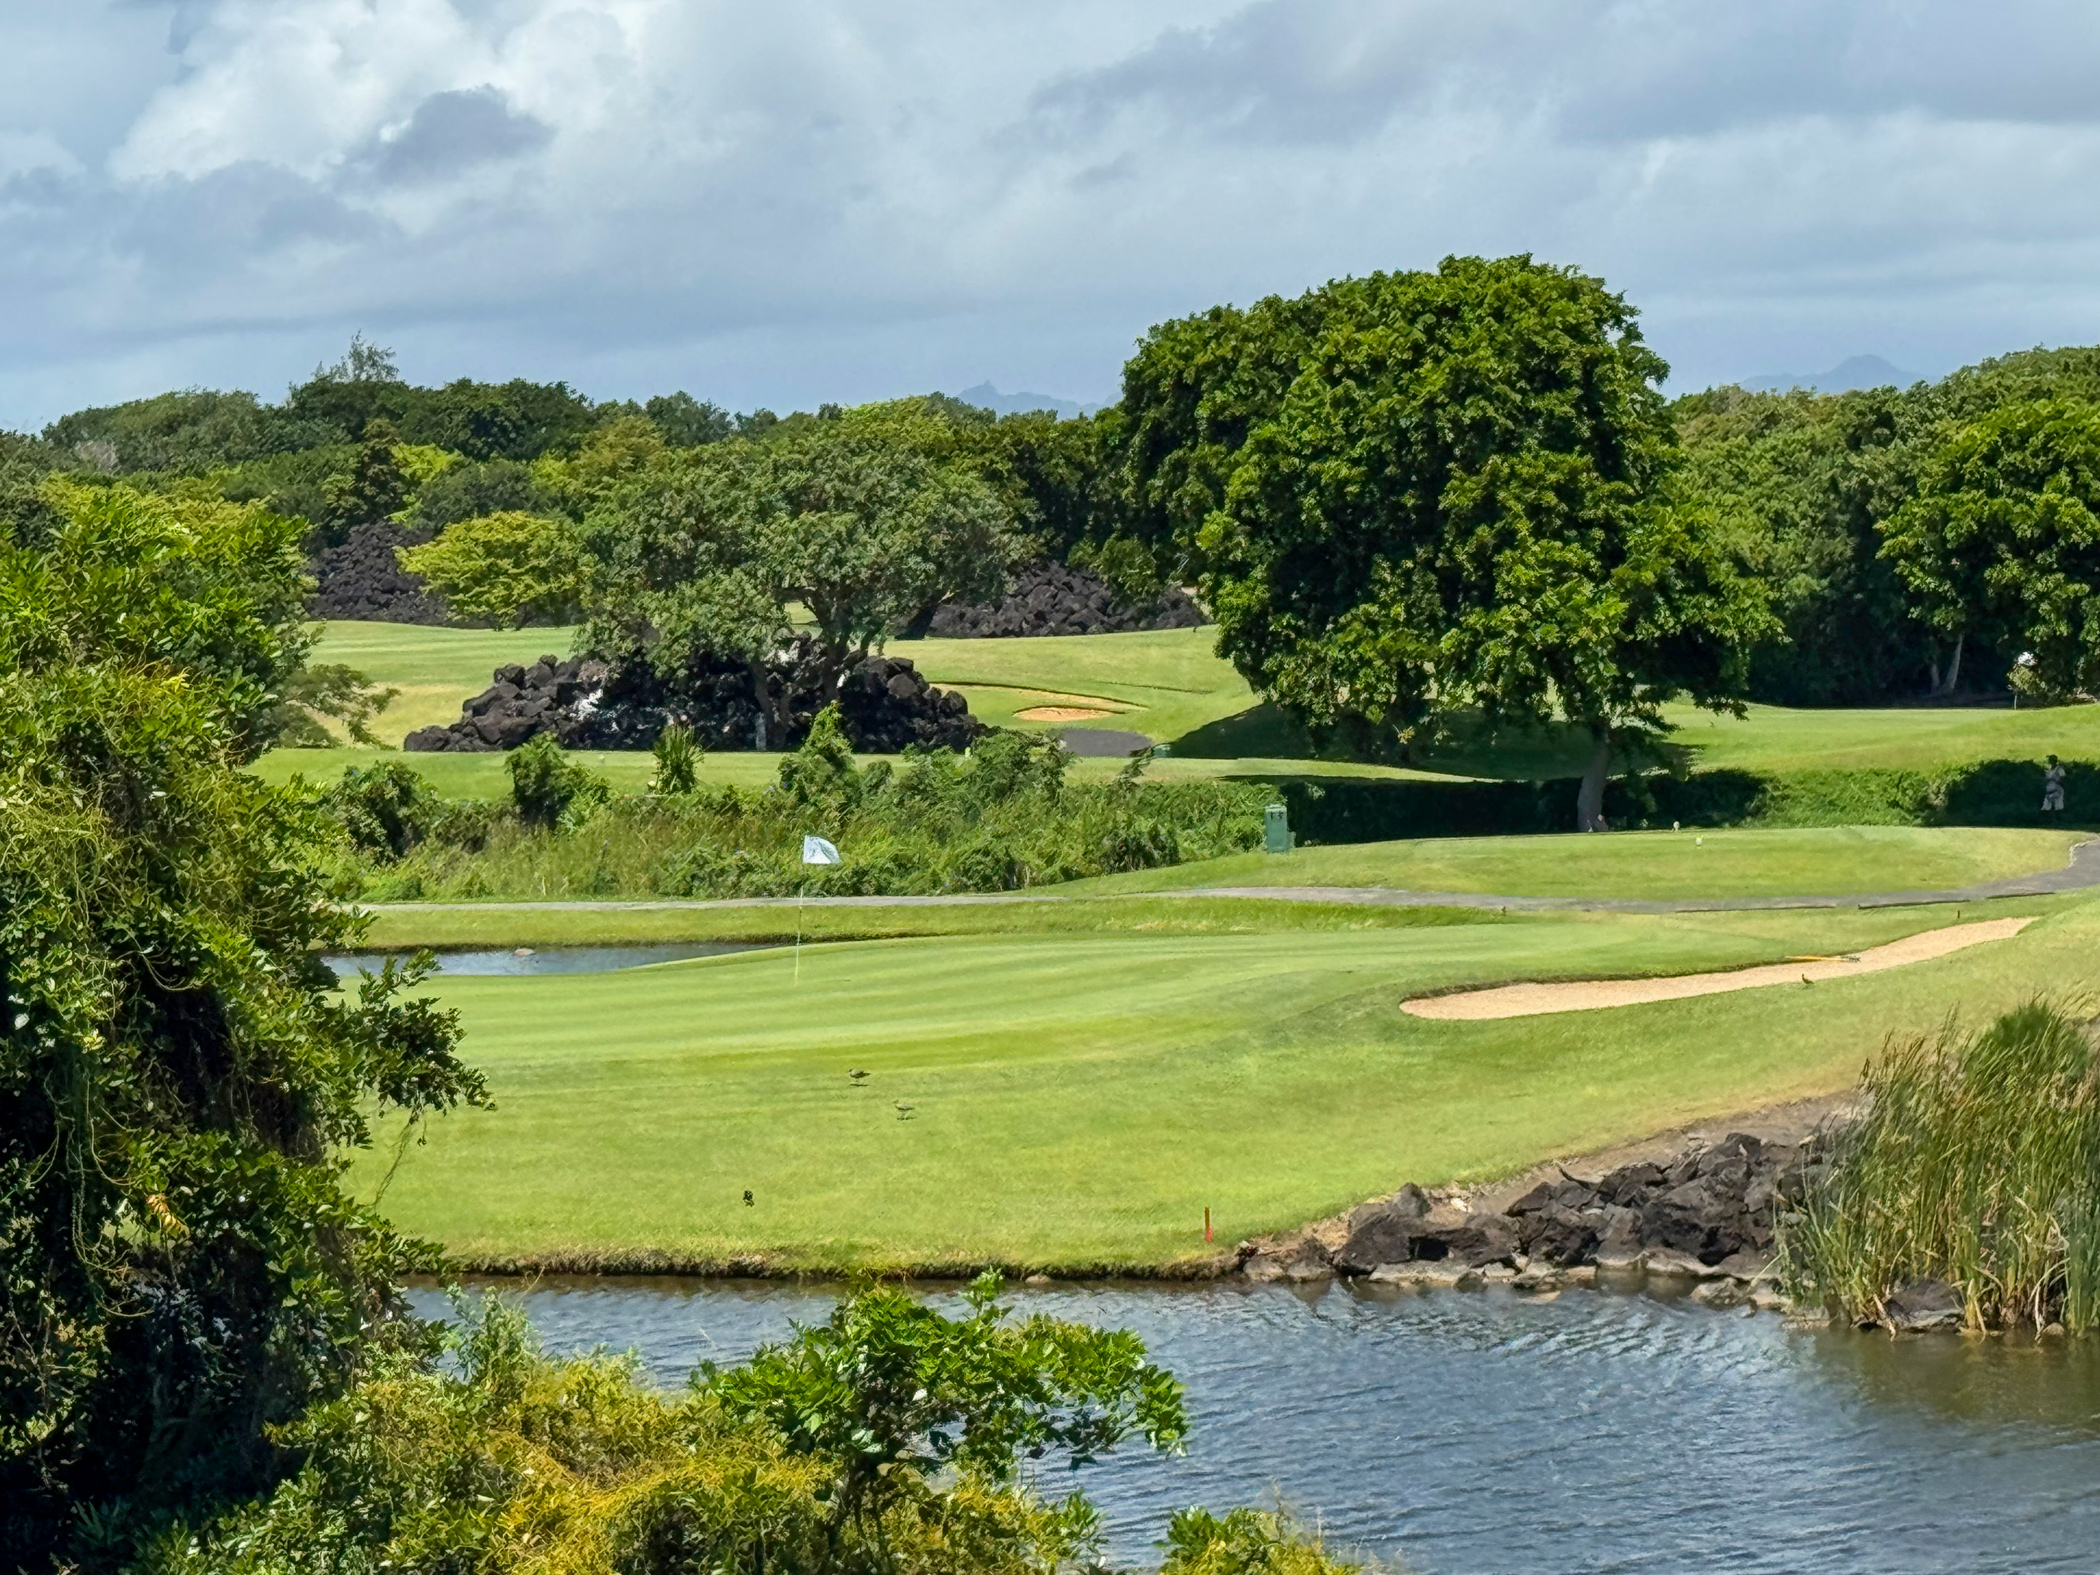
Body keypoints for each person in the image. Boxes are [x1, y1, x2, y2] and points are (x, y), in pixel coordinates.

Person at [2042, 754, 2067, 819]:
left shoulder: (2059, 769)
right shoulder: (2049, 770)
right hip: (2049, 790)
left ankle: (2058, 821)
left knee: (2058, 807)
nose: (2049, 761)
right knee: (2046, 807)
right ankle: (2049, 821)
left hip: (2057, 790)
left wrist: (2056, 780)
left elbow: (2064, 780)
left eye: (2050, 760)